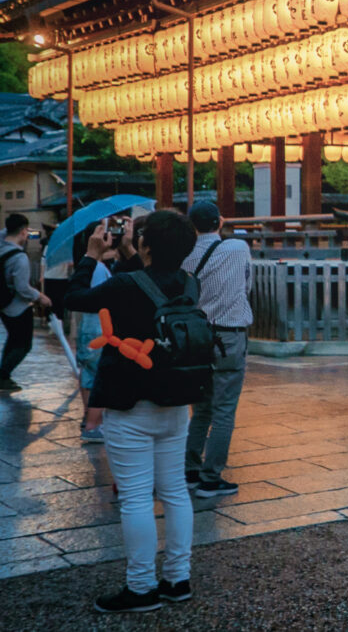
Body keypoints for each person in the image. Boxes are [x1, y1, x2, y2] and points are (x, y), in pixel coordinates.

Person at [63, 209, 201, 613]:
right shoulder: (190, 284)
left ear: (147, 245)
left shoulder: (123, 285)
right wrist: (130, 249)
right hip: (176, 401)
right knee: (175, 491)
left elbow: (73, 298)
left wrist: (91, 255)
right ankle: (178, 579)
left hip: (130, 402)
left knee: (137, 497)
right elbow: (149, 283)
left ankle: (140, 588)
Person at [183, 201, 251, 499]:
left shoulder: (185, 253)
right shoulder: (237, 248)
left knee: (201, 408)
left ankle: (189, 467)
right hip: (229, 333)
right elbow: (246, 285)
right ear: (219, 222)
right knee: (224, 409)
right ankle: (211, 477)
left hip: (196, 337)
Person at [0, 214, 50, 393]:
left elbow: (0, 233)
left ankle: (4, 377)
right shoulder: (19, 257)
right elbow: (23, 288)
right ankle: (1, 376)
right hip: (18, 307)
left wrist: (15, 228)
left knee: (12, 339)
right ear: (23, 231)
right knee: (23, 345)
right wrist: (40, 297)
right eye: (26, 231)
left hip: (0, 302)